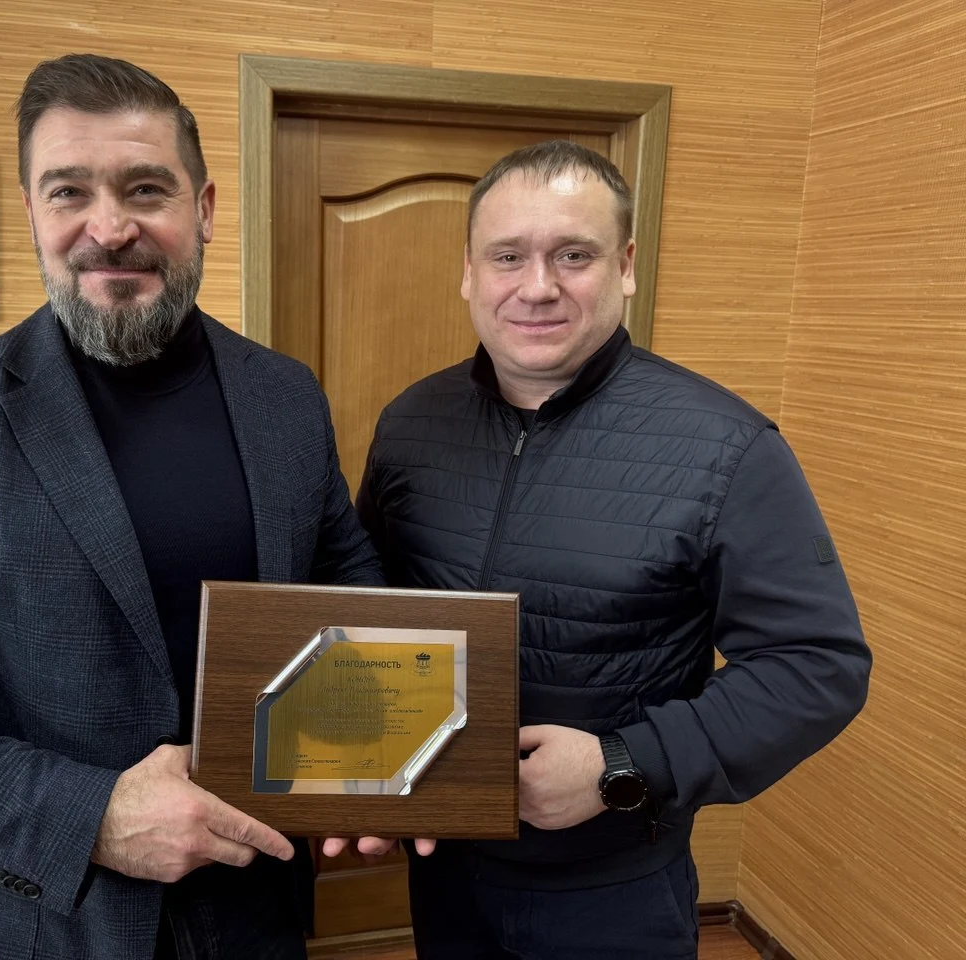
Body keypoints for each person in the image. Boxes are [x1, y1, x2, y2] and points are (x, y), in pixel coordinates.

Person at [0, 53, 382, 960]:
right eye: (69, 192)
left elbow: (349, 603)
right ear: (32, 211)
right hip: (45, 925)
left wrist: (377, 764)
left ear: (203, 209)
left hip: (255, 910)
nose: (110, 228)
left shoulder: (286, 398)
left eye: (146, 188)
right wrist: (93, 815)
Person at [340, 140, 871, 959]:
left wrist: (623, 763)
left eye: (573, 255)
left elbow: (817, 665)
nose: (537, 286)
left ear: (624, 266)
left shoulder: (727, 446)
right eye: (507, 256)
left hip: (614, 892)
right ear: (469, 274)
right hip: (444, 872)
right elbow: (367, 611)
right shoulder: (412, 423)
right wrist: (355, 774)